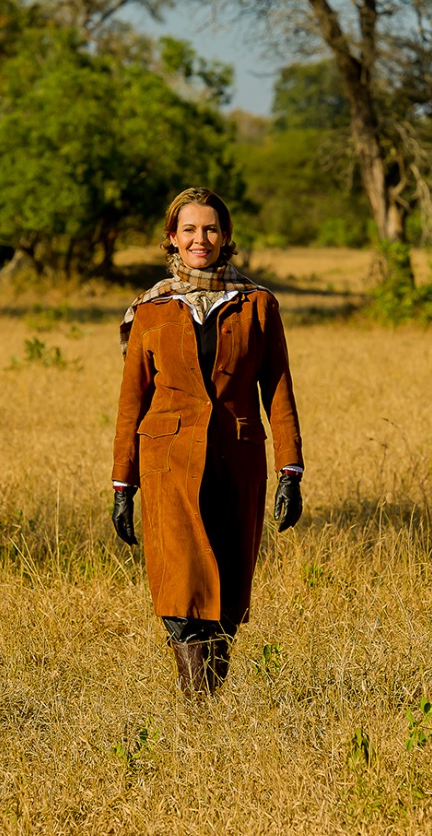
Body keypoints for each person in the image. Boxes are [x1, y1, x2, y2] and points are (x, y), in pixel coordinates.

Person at [111, 186, 304, 699]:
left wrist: (291, 471)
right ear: (172, 238)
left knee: (227, 581)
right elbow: (132, 401)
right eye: (190, 230)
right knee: (180, 581)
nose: (201, 239)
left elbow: (278, 390)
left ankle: (207, 703)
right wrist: (121, 484)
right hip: (167, 461)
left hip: (238, 460)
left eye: (211, 229)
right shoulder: (152, 309)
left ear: (227, 237)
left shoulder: (257, 304)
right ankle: (199, 709)